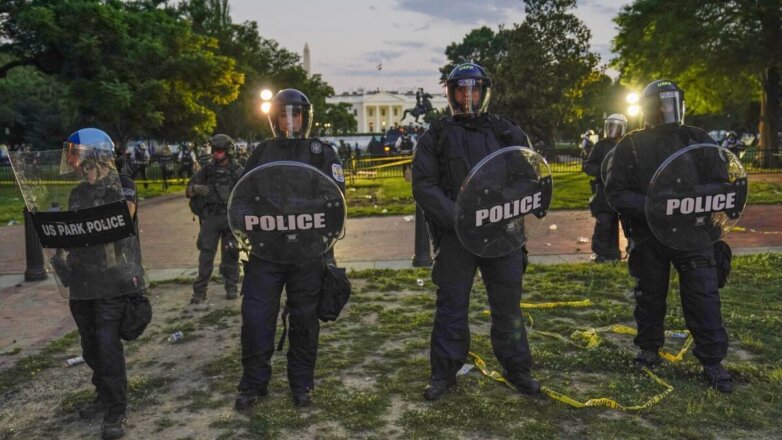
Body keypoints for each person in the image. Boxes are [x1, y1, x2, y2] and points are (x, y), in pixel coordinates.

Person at [412, 63, 540, 401]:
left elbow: (529, 175)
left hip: (502, 232)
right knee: (451, 306)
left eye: (474, 90)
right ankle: (443, 373)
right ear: (452, 94)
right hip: (457, 236)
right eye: (461, 90)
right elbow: (424, 185)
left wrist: (500, 207)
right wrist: (458, 217)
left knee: (508, 305)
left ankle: (519, 370)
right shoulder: (436, 135)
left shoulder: (505, 131)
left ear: (483, 92)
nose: (468, 97)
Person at [604, 80, 733, 393]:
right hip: (649, 235)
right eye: (661, 103)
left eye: (672, 101)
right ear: (650, 108)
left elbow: (722, 182)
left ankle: (712, 361)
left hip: (695, 233)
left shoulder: (697, 138)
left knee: (703, 296)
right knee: (648, 294)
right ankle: (649, 348)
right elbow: (616, 192)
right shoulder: (631, 144)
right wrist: (653, 206)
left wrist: (689, 198)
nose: (667, 108)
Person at [235, 88, 345, 410]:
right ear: (275, 118)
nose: (290, 120)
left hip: (308, 253)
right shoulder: (262, 153)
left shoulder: (321, 153)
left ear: (305, 117)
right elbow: (240, 197)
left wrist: (295, 210)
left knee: (304, 320)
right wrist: (248, 222)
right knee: (256, 317)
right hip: (266, 251)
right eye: (284, 114)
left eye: (296, 114)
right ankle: (254, 382)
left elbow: (335, 197)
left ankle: (302, 384)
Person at [61, 128, 146, 439]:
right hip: (83, 280)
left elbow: (122, 218)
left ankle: (116, 409)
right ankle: (103, 394)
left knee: (108, 344)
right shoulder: (78, 193)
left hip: (112, 279)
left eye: (77, 153)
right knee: (90, 343)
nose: (73, 161)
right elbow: (72, 229)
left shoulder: (122, 186)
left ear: (95, 154)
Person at [186, 134, 243, 304]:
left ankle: (232, 287)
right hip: (211, 218)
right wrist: (196, 188)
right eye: (214, 151)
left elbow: (249, 192)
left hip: (230, 219)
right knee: (206, 256)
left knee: (231, 254)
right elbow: (188, 191)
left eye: (219, 151)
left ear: (228, 151)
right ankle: (200, 291)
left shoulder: (238, 171)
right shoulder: (207, 170)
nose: (215, 154)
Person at [582, 113, 627, 262]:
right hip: (603, 190)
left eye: (617, 126)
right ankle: (600, 254)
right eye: (611, 126)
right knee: (604, 222)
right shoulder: (600, 145)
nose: (613, 130)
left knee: (623, 224)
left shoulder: (627, 145)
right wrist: (602, 172)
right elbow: (588, 165)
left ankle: (615, 254)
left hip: (622, 190)